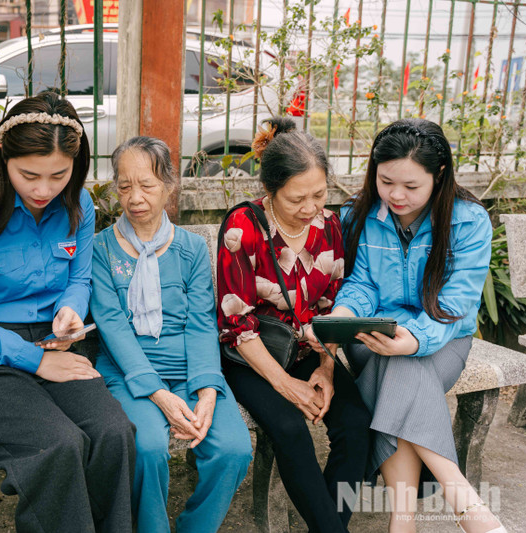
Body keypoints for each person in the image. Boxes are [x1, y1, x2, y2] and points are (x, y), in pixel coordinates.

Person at [0, 92, 135, 533]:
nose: (44, 189)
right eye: (29, 175)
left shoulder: (79, 205)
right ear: (4, 159)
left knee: (113, 433)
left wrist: (70, 309)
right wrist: (37, 361)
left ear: (76, 166)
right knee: (57, 445)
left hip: (53, 342)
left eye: (59, 175)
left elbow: (79, 279)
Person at [309, 118, 506, 533]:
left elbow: (455, 303)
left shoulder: (468, 221)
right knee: (393, 361)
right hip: (373, 332)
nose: (396, 195)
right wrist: (344, 315)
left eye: (411, 187)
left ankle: (405, 522)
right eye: (385, 182)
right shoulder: (362, 214)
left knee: (400, 364)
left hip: (444, 336)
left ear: (439, 175)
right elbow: (360, 282)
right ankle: (468, 508)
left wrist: (414, 338)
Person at [216, 117, 371, 533]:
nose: (310, 209)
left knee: (356, 425)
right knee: (290, 429)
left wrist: (325, 368)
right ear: (270, 190)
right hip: (252, 357)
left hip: (309, 349)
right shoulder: (243, 227)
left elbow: (331, 304)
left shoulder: (329, 225)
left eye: (319, 195)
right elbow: (237, 324)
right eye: (296, 198)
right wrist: (288, 387)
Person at [90, 136, 252, 533]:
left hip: (192, 372)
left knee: (233, 449)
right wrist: (159, 395)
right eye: (124, 186)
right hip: (131, 376)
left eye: (147, 184)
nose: (135, 197)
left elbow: (201, 324)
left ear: (169, 185)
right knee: (146, 447)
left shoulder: (193, 248)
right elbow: (112, 327)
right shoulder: (100, 249)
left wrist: (208, 393)